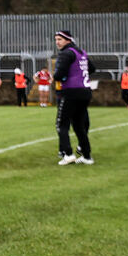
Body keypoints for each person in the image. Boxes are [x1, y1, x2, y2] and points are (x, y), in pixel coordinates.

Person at [53, 30, 94, 165]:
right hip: (85, 91)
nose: (57, 42)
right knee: (79, 125)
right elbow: (92, 68)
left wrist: (62, 77)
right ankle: (87, 156)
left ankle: (68, 153)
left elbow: (59, 75)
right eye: (56, 39)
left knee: (61, 124)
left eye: (60, 39)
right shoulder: (81, 52)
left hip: (71, 92)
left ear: (68, 40)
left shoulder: (66, 53)